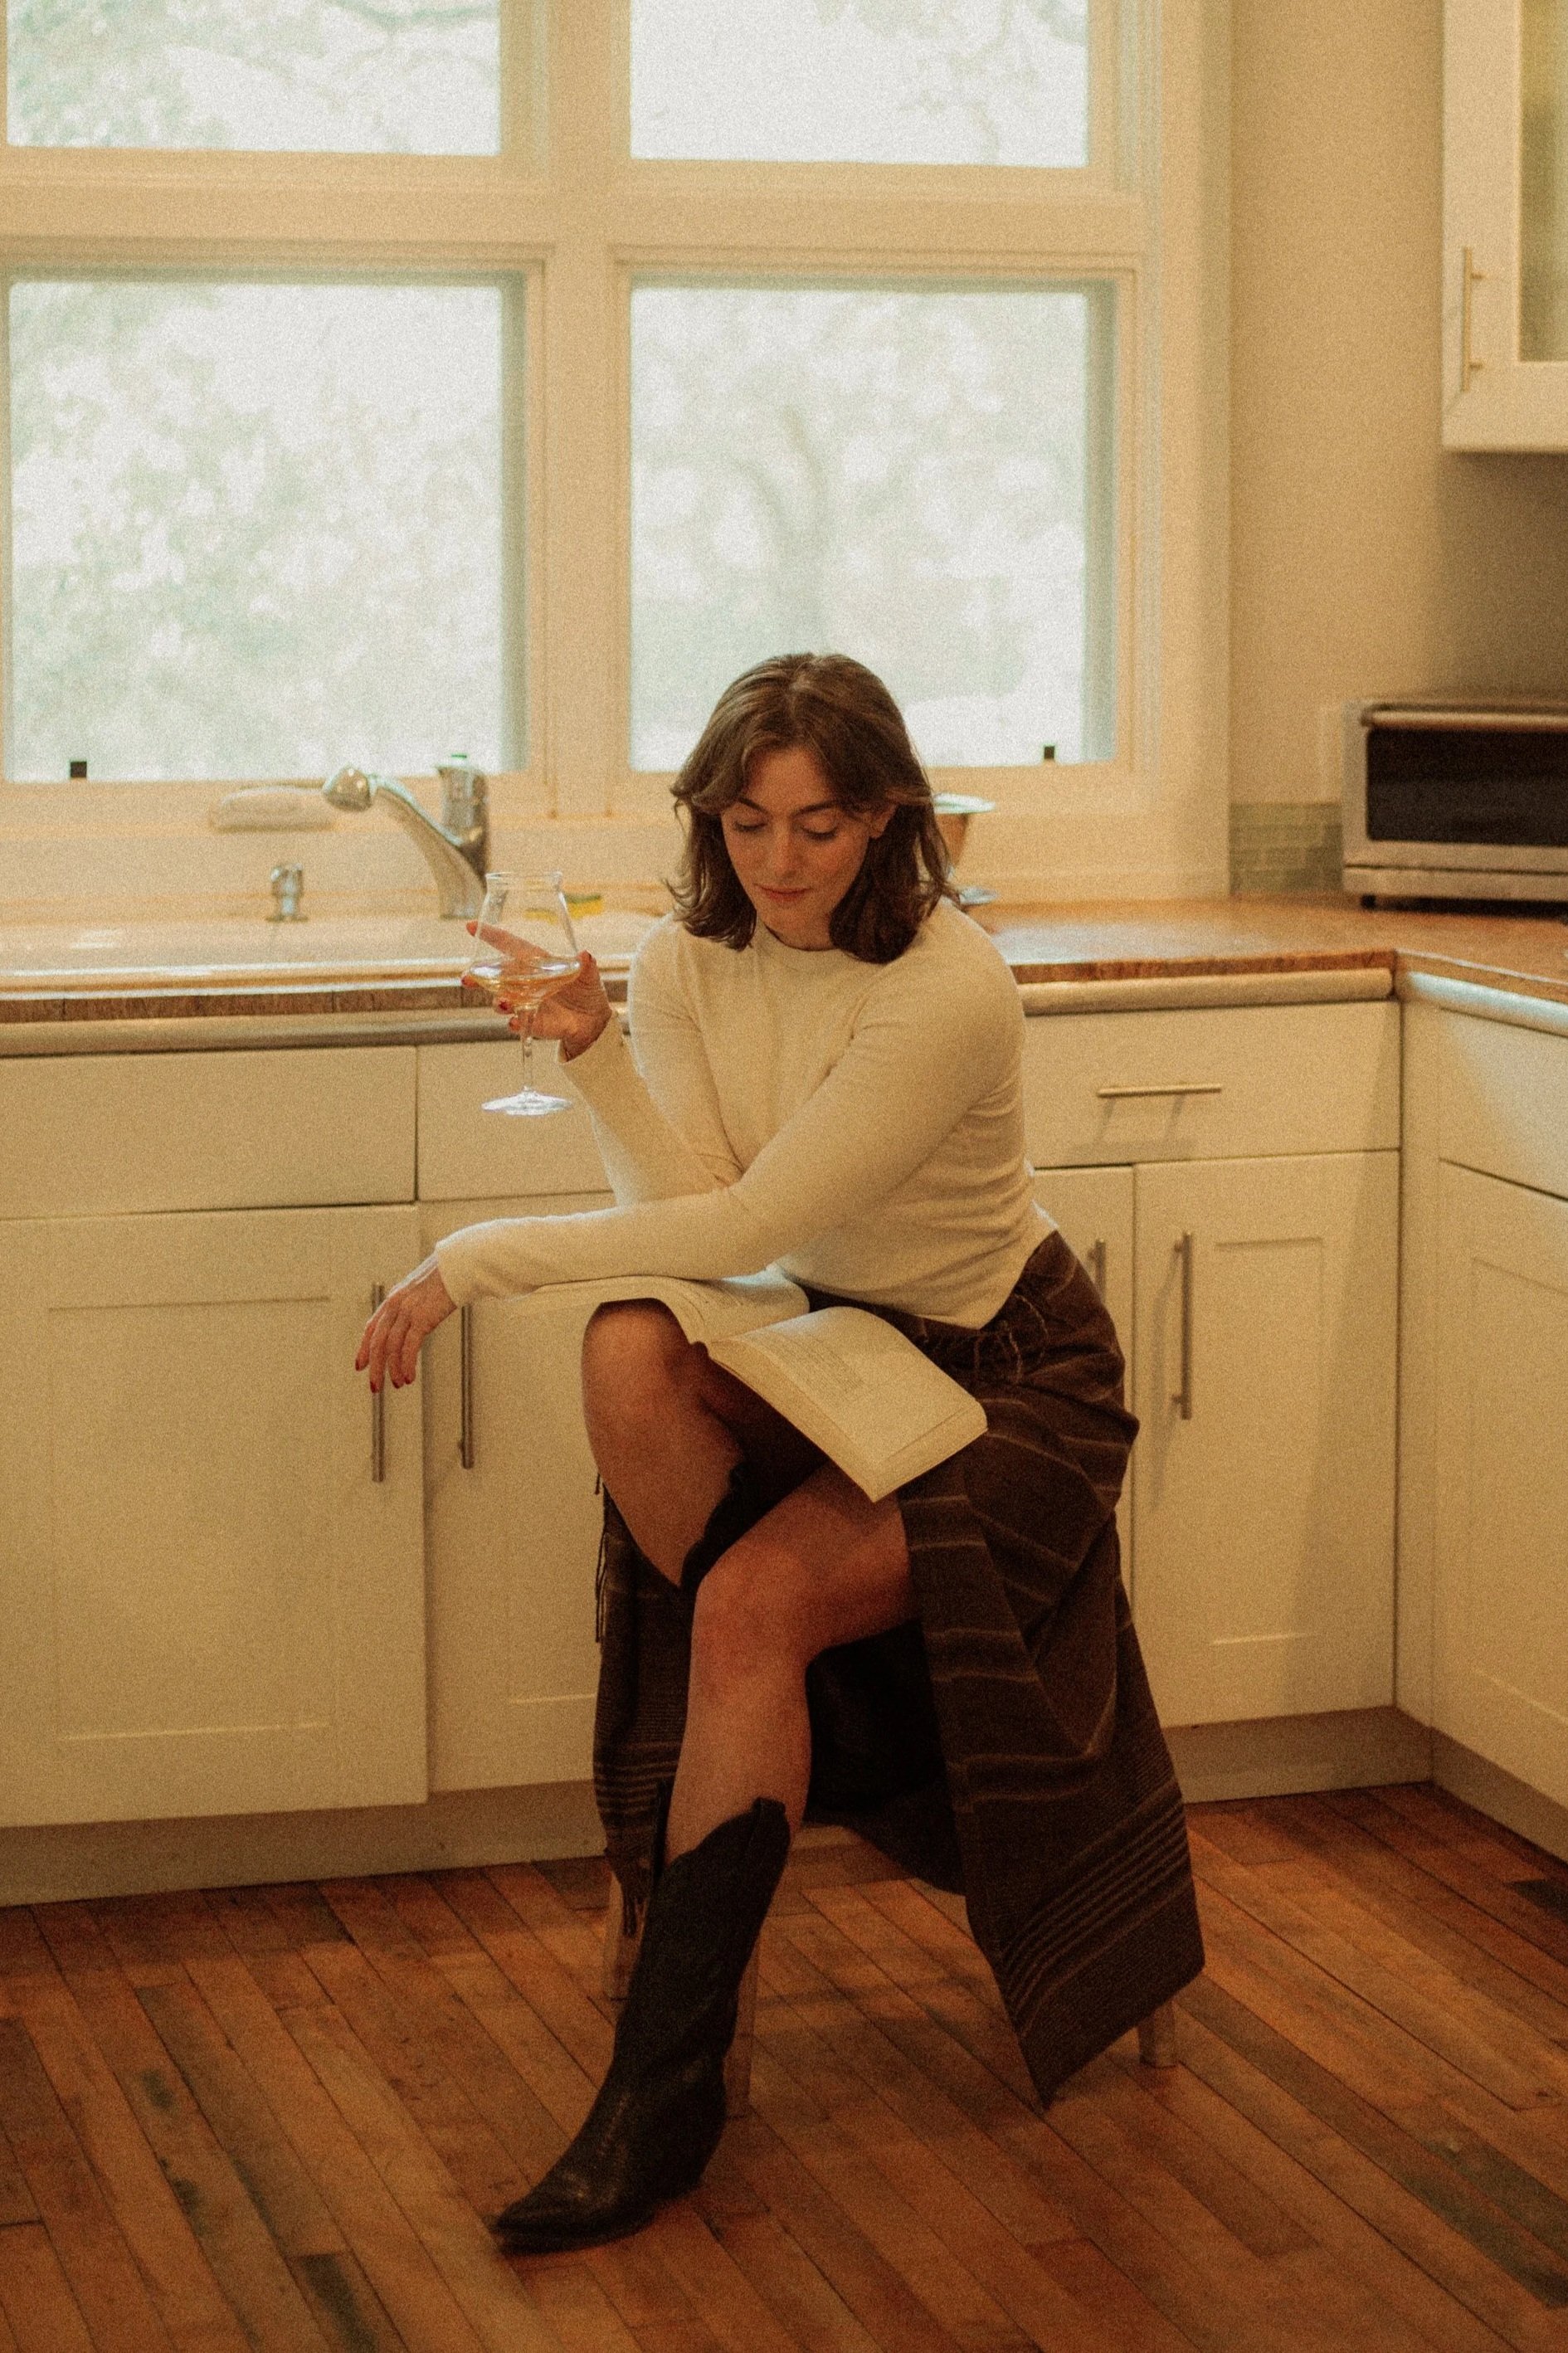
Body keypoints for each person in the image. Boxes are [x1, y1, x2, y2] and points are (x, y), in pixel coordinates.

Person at [356, 651, 1205, 2256]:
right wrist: (601, 1047)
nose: (779, 862)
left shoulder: (945, 986)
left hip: (1008, 1379)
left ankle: (657, 2098)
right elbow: (703, 1232)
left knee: (743, 1606)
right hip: (826, 1340)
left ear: (885, 818)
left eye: (819, 826)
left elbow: (748, 1224)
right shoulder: (688, 959)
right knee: (630, 1340)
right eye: (745, 823)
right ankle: (825, 1715)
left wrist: (464, 1260)